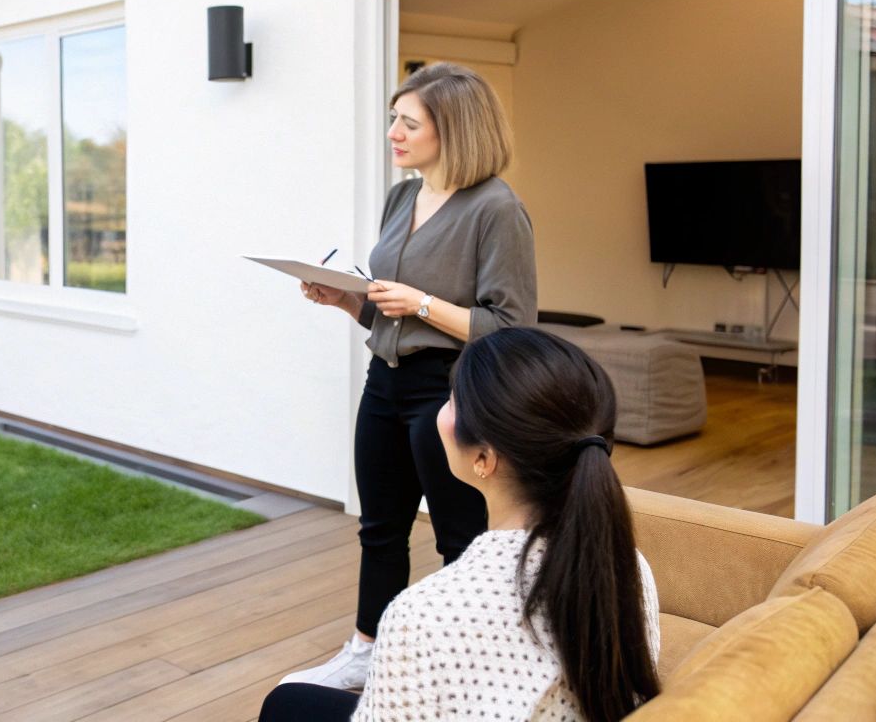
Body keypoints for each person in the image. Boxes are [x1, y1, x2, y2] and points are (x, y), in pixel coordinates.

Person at [260, 328, 662, 721]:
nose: (441, 411)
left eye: (451, 401)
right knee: (292, 700)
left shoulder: (423, 617)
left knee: (283, 704)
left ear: (484, 459)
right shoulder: (628, 566)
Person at [289, 62, 536, 692]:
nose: (394, 132)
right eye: (393, 119)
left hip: (450, 391)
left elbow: (512, 326)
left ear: (452, 128)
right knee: (380, 528)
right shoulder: (403, 196)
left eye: (408, 121)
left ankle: (470, 660)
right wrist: (348, 300)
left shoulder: (497, 208)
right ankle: (366, 651)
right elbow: (389, 307)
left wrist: (423, 304)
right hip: (386, 381)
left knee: (460, 539)